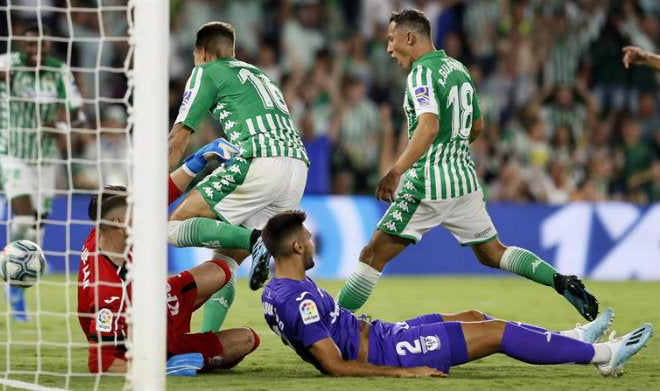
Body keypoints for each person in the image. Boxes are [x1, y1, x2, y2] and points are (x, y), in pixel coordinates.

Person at [336, 9, 599, 321]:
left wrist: (396, 171)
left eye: (392, 40)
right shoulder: (458, 68)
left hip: (428, 183)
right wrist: (453, 147)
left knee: (371, 256)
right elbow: (477, 126)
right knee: (493, 253)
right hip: (464, 182)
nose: (389, 48)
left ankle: (327, 327)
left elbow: (428, 126)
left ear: (410, 37)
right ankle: (560, 281)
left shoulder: (421, 74)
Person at [261, 210, 653, 378]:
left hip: (385, 334)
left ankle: (573, 339)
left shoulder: (279, 290)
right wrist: (405, 372)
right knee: (497, 332)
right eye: (308, 240)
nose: (312, 244)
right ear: (296, 248)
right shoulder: (300, 301)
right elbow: (334, 366)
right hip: (390, 353)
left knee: (475, 315)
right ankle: (603, 355)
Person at [166, 21, 309, 333]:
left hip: (258, 159)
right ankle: (206, 340)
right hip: (297, 169)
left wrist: (154, 186)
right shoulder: (260, 75)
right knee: (224, 263)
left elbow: (179, 138)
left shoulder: (206, 70)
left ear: (201, 52)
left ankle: (258, 240)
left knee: (173, 227)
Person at [77, 139, 259, 375]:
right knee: (247, 339)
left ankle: (192, 344)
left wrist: (197, 161)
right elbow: (101, 363)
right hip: (138, 337)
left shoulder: (104, 227)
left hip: (152, 300)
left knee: (220, 272)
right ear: (119, 222)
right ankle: (179, 356)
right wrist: (158, 370)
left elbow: (161, 194)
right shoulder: (108, 291)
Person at [0, 24, 85, 322]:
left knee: (36, 230)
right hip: (14, 154)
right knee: (23, 216)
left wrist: (62, 127)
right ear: (23, 45)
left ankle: (19, 284)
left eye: (41, 47)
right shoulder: (10, 62)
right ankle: (12, 280)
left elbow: (78, 113)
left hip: (46, 160)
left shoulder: (59, 71)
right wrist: (3, 75)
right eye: (30, 46)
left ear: (48, 48)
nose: (35, 51)